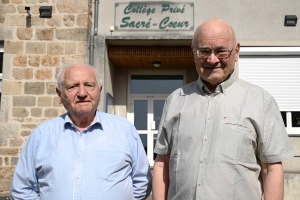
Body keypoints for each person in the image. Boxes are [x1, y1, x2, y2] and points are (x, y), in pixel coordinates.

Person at [153, 19, 294, 200]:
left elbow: (272, 168)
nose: (212, 59)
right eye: (204, 51)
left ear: (236, 51)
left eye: (221, 51)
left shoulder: (261, 101)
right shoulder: (175, 100)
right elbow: (162, 164)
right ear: (193, 52)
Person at [10, 63, 152, 200]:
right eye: (72, 87)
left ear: (99, 91)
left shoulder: (124, 130)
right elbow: (21, 189)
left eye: (89, 85)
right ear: (59, 94)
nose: (82, 93)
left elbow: (142, 182)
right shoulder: (42, 135)